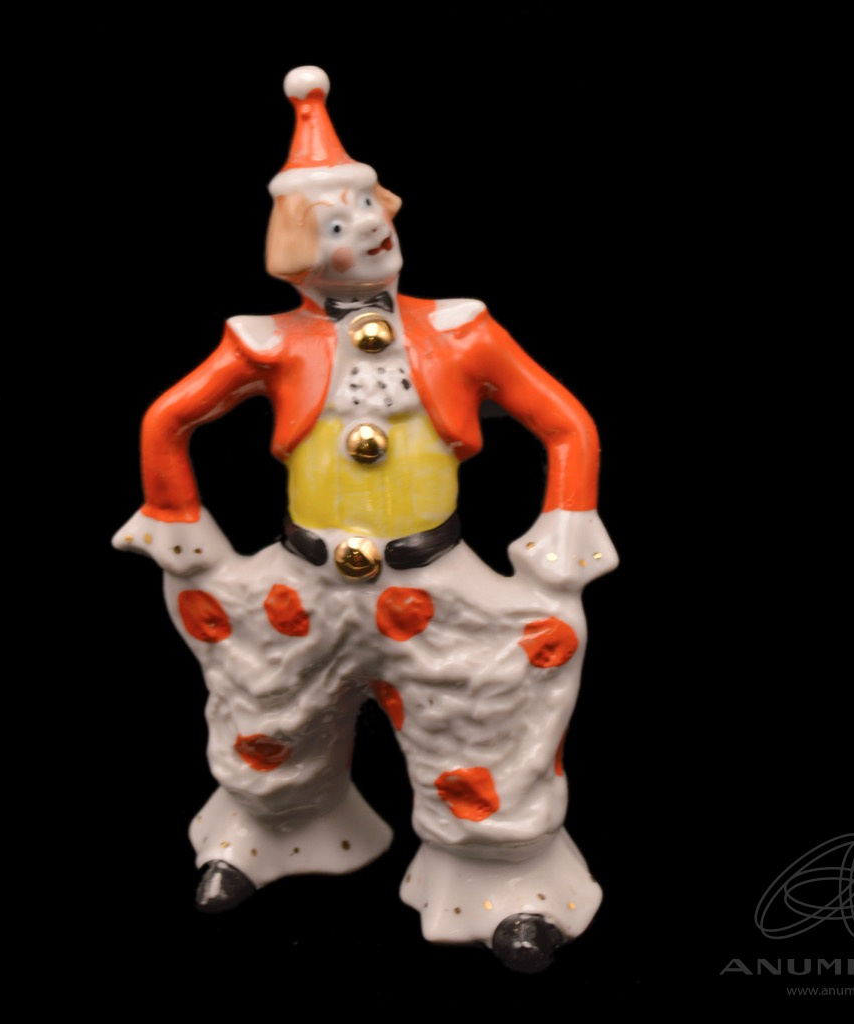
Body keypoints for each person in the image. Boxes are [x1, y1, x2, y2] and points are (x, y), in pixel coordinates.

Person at [113, 65, 617, 973]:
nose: (372, 229)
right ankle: (273, 828)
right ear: (300, 249)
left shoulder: (459, 330)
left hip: (432, 580)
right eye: (340, 224)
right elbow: (168, 418)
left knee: (489, 705)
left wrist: (566, 524)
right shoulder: (267, 340)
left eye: (372, 211)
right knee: (268, 700)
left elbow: (564, 423)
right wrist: (177, 522)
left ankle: (502, 874)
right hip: (306, 579)